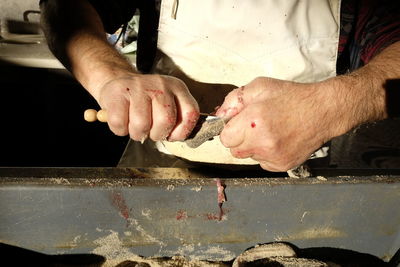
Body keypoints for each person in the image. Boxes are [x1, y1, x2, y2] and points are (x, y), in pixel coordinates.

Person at [39, 0, 400, 171]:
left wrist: (331, 105)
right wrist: (112, 77)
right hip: (164, 163)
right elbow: (65, 6)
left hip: (318, 167)